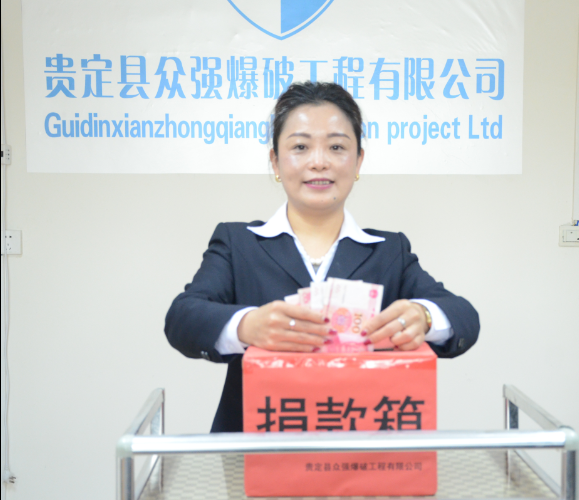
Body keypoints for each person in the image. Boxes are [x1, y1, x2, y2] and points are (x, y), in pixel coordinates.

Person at [165, 81, 479, 433]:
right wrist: (247, 326)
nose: (319, 162)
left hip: (361, 451)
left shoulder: (389, 251)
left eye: (336, 147)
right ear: (275, 161)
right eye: (300, 146)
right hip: (255, 446)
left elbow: (464, 317)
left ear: (358, 160)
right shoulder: (238, 243)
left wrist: (423, 316)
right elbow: (182, 318)